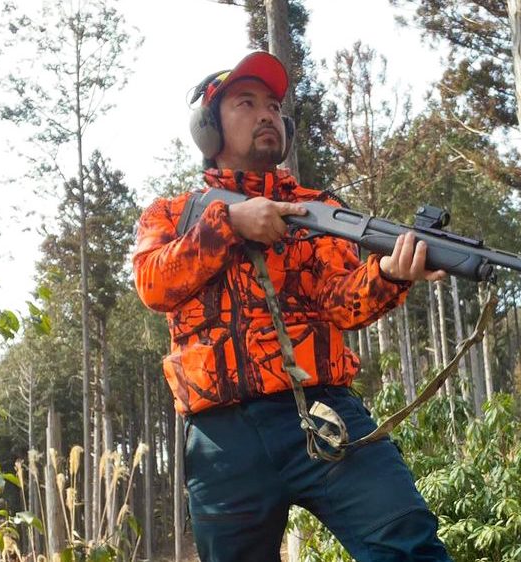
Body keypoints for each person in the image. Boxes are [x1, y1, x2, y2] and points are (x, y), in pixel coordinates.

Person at [132, 51, 453, 561]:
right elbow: (153, 284)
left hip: (323, 411)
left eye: (274, 106)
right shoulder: (171, 214)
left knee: (407, 542)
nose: (267, 115)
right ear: (208, 129)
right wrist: (229, 226)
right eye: (247, 103)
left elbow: (344, 304)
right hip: (222, 437)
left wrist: (390, 273)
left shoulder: (319, 210)